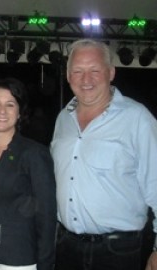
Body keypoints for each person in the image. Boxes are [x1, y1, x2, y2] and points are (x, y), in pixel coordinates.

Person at [51, 38, 157, 270]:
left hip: (117, 253)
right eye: (78, 71)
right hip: (65, 247)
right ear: (68, 76)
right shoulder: (62, 119)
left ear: (110, 72)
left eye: (95, 70)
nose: (86, 79)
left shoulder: (137, 118)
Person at [0, 78, 56, 270]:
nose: (2, 111)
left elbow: (47, 214)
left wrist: (46, 263)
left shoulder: (34, 154)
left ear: (19, 113)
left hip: (19, 258)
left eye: (10, 104)